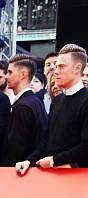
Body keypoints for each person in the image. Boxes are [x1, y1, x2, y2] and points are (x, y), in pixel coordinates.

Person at [16, 44, 88, 175]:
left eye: (61, 66)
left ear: (77, 68)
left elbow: (85, 147)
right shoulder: (58, 100)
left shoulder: (85, 101)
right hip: (51, 176)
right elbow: (47, 140)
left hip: (76, 179)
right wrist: (29, 160)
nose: (55, 71)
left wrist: (54, 160)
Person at [3, 55, 47, 167]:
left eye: (10, 72)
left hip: (21, 173)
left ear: (23, 74)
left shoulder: (23, 107)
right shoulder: (35, 101)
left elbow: (15, 151)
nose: (6, 76)